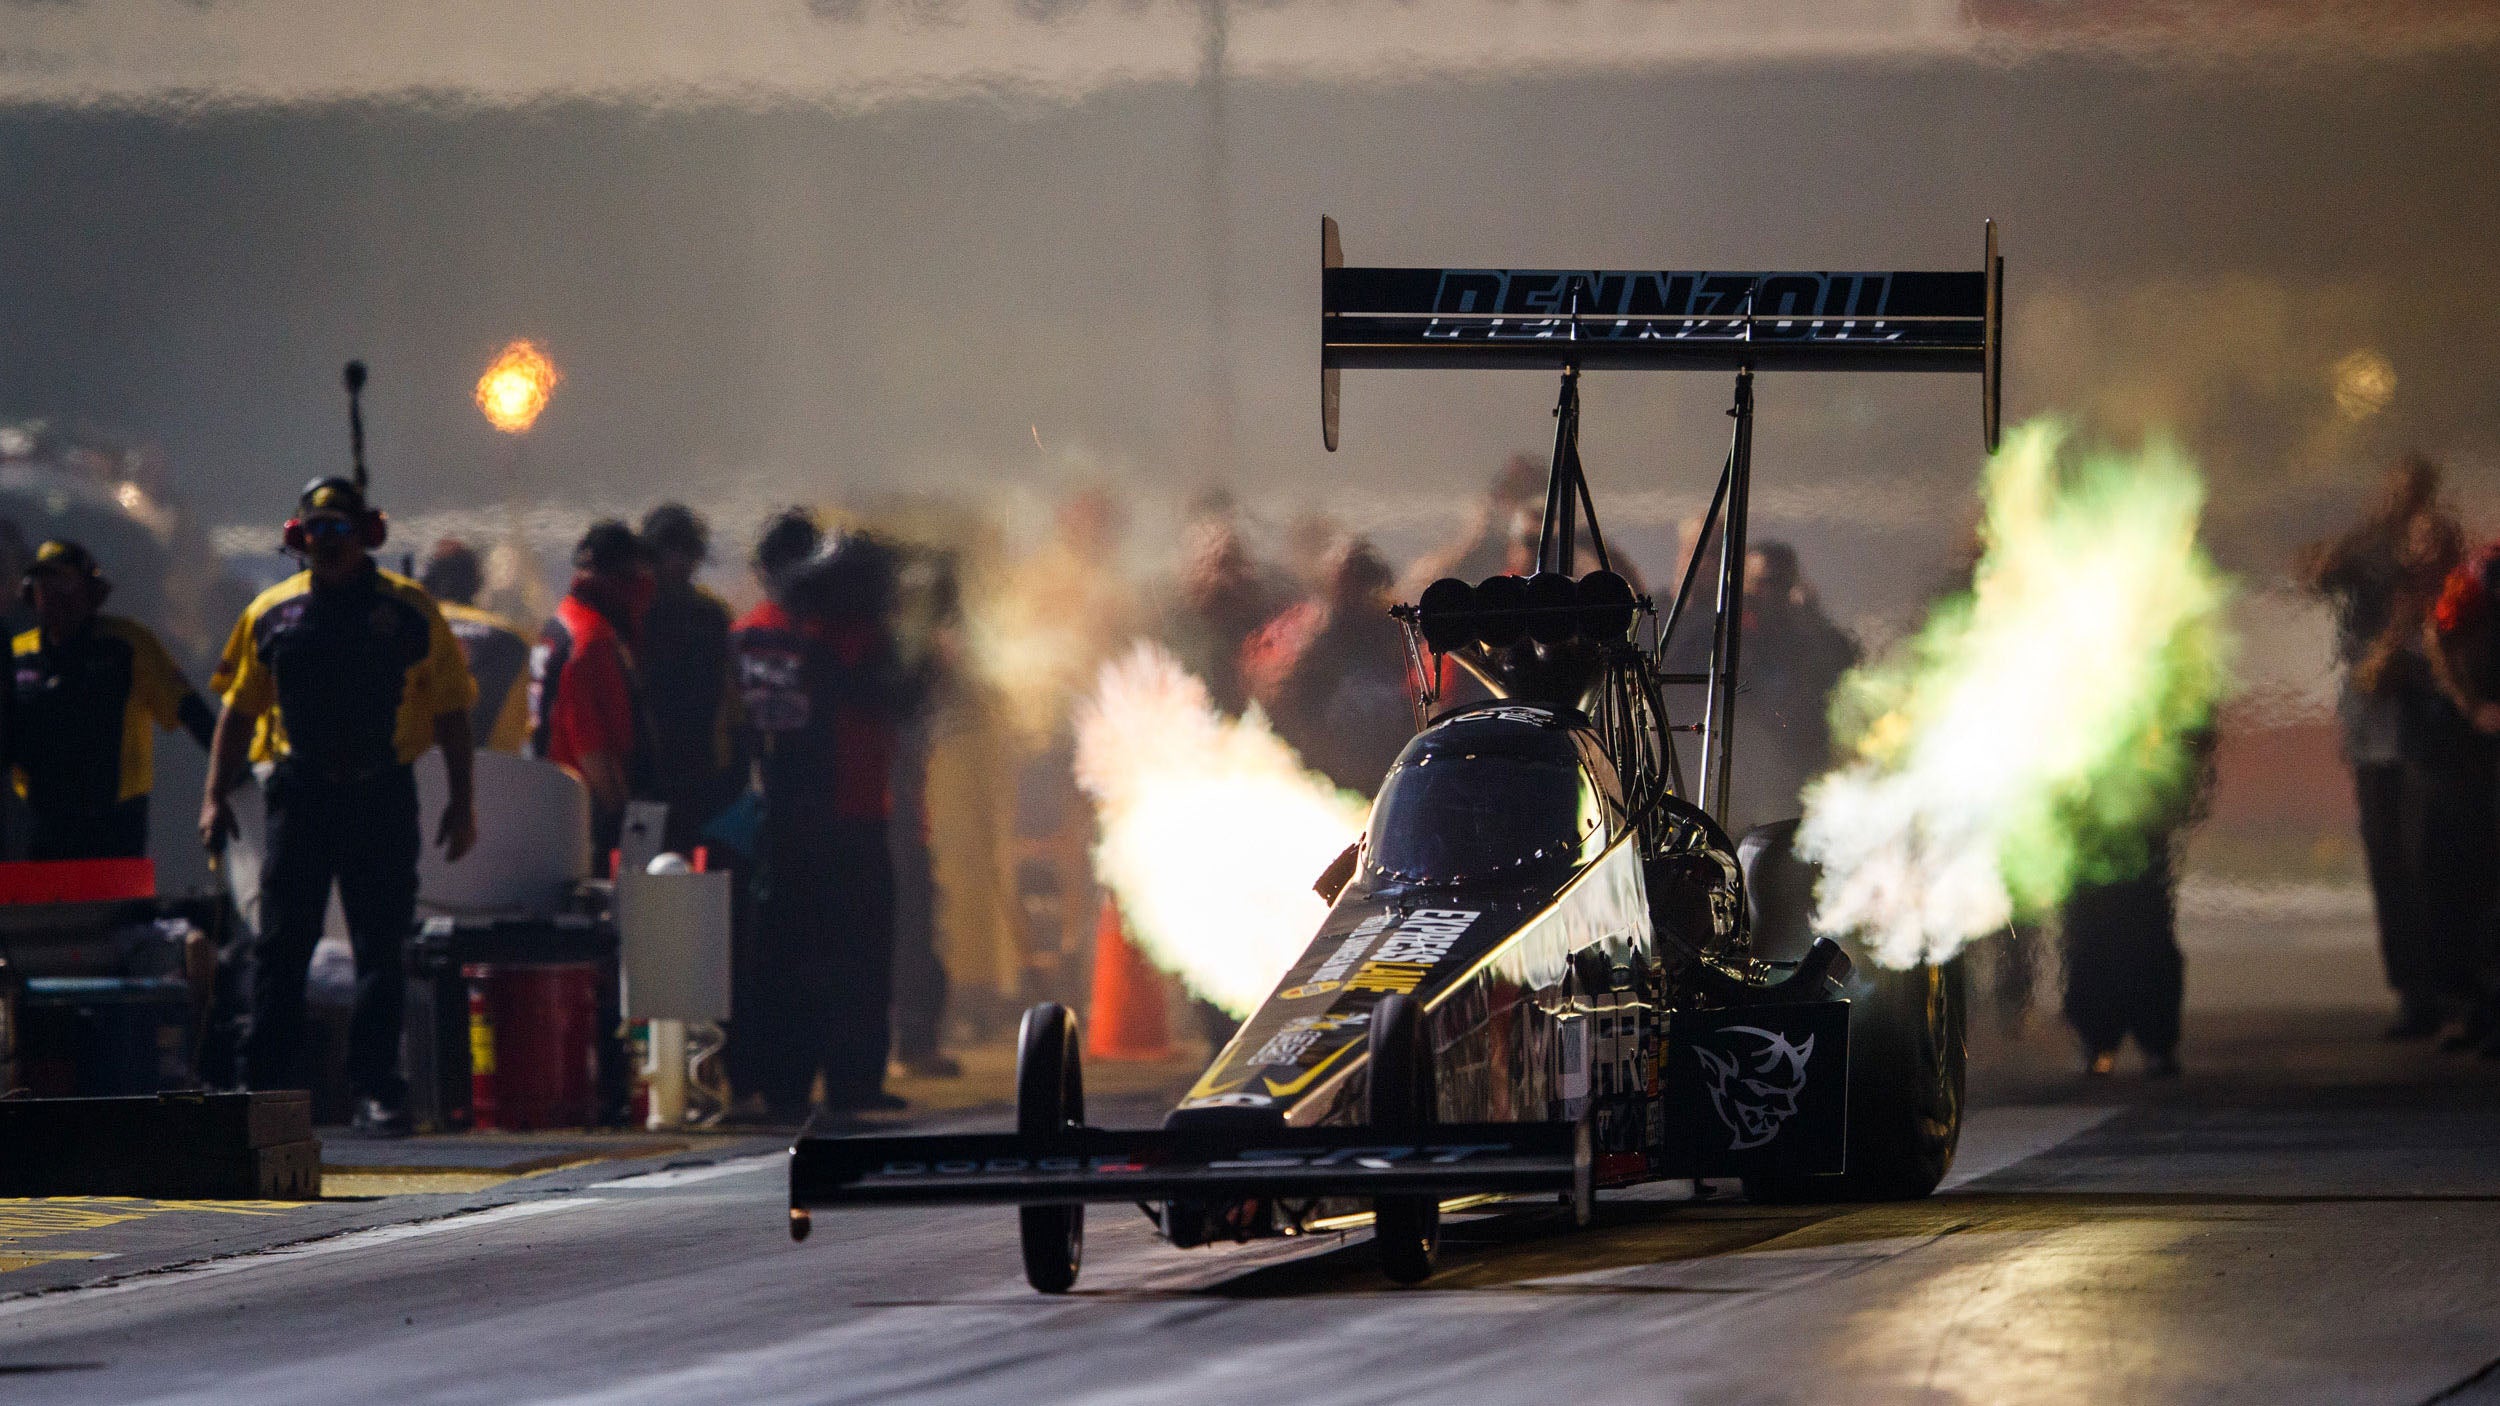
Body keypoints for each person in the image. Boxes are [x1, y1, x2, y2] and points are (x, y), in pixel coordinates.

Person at [201, 477, 476, 1136]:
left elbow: (452, 711)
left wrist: (463, 801)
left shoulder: (409, 611)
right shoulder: (272, 613)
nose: (328, 544)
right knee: (280, 948)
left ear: (366, 535)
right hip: (300, 796)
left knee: (382, 947)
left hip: (381, 793)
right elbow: (238, 713)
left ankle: (377, 1088)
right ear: (299, 539)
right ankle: (262, 1084)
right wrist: (214, 795)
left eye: (340, 530)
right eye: (315, 531)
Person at [734, 512, 919, 1119]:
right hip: (846, 817)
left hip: (780, 821)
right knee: (854, 961)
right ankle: (849, 1083)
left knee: (789, 961)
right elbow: (896, 702)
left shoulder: (752, 632)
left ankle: (791, 1084)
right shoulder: (850, 638)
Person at [2299, 457, 2477, 1039]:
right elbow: (2318, 575)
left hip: (2426, 738)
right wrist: (2361, 531)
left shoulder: (2439, 559)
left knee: (2432, 863)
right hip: (2374, 736)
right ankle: (2413, 991)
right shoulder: (2371, 553)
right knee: (2390, 866)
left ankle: (2450, 988)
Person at [9, 539, 215, 859]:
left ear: (92, 593)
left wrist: (234, 778)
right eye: (42, 582)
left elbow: (190, 711)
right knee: (43, 908)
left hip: (116, 819)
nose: (51, 593)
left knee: (115, 907)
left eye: (63, 582)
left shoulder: (128, 644)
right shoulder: (16, 654)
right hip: (38, 819)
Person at [2063, 730, 2217, 1078]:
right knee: (2100, 924)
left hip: (2137, 799)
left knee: (2134, 922)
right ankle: (2116, 1039)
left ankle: (2135, 1040)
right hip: (2101, 802)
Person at [532, 521, 656, 869]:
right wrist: (627, 826)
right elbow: (591, 749)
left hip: (552, 800)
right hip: (584, 814)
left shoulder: (561, 620)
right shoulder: (592, 640)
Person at [1727, 541, 1859, 836]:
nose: (1768, 595)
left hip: (1799, 776)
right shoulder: (1726, 642)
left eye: (1778, 584)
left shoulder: (1817, 642)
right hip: (1740, 781)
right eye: (1759, 585)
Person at [2426, 540, 2500, 1055]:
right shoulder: (2480, 570)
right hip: (2481, 751)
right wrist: (2471, 704)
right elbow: (2438, 634)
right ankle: (2479, 1008)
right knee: (2474, 879)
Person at [636, 503, 743, 859]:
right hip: (677, 762)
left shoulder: (637, 614)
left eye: (686, 551)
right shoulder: (711, 615)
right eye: (672, 550)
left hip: (673, 763)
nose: (680, 561)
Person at [1266, 539, 1414, 797]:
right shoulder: (1325, 638)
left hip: (1392, 759)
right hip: (1340, 768)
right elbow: (1298, 702)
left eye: (1358, 581)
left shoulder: (1398, 631)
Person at [419, 539, 531, 753]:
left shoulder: (405, 626)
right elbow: (529, 722)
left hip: (416, 770)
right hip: (499, 774)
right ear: (476, 583)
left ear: (424, 583)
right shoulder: (513, 638)